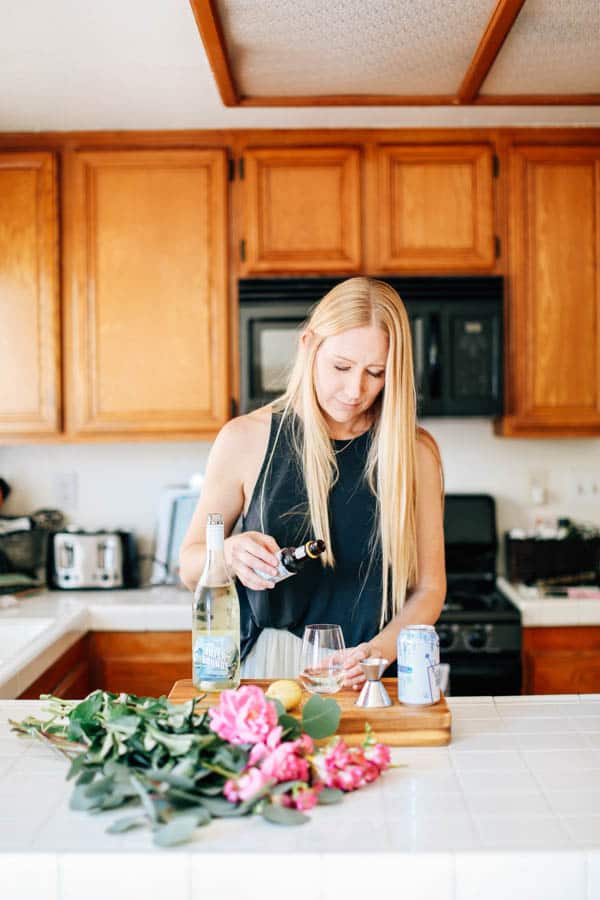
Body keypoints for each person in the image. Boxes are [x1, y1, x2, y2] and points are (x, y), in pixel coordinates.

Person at [180, 276, 446, 690]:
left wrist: (376, 652)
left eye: (375, 373)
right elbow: (190, 565)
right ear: (308, 346)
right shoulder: (244, 439)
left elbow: (429, 588)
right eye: (341, 367)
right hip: (268, 667)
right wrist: (229, 554)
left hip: (368, 672)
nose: (355, 390)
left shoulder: (415, 453)